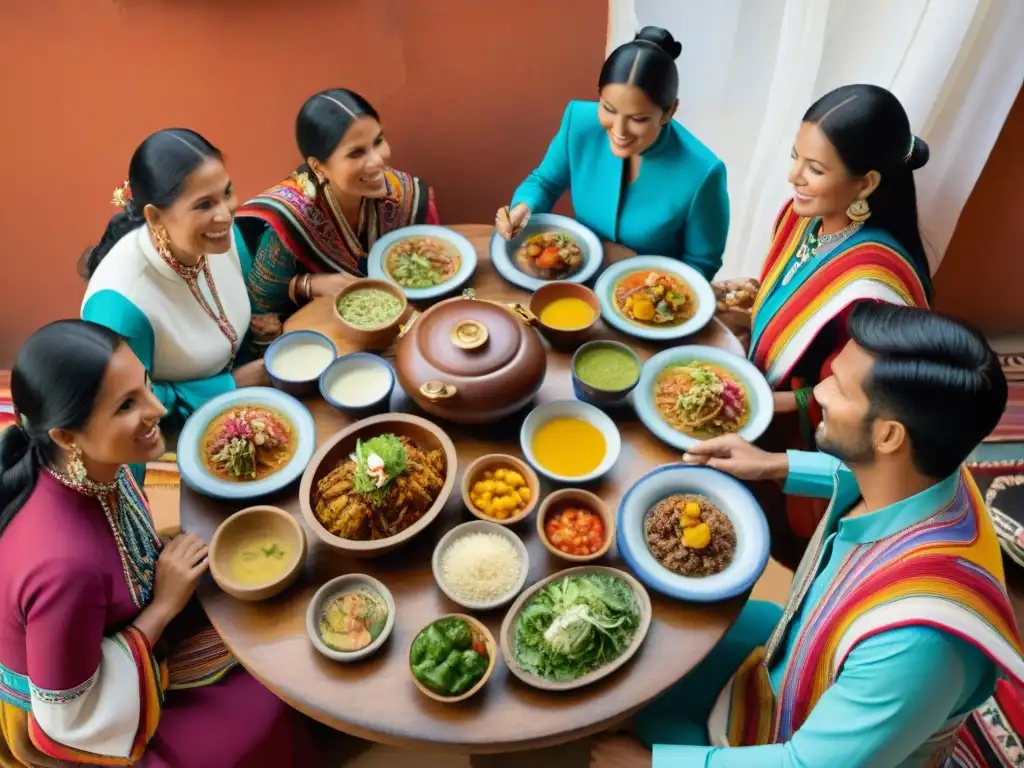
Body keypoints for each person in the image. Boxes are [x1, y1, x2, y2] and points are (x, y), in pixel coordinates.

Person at [591, 303, 1023, 768]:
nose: (818, 391)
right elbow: (866, 469)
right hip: (796, 660)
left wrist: (650, 765)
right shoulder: (933, 469)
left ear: (889, 436)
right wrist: (774, 465)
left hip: (811, 745)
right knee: (667, 636)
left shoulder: (919, 646)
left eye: (837, 387)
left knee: (643, 712)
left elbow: (807, 765)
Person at [0, 321, 312, 767]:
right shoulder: (63, 566)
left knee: (276, 625)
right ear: (66, 437)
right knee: (266, 704)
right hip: (87, 726)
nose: (156, 411)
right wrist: (163, 606)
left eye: (145, 385)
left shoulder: (98, 467)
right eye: (126, 405)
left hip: (123, 635)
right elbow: (69, 718)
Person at [747, 84, 933, 565]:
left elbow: (863, 404)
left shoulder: (874, 286)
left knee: (781, 546)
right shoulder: (803, 217)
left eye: (814, 169)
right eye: (795, 157)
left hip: (809, 436)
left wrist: (761, 403)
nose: (794, 177)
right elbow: (792, 296)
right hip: (762, 405)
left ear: (866, 183)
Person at [495, 26, 728, 281]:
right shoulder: (579, 122)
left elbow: (701, 263)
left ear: (669, 111)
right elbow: (545, 182)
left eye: (638, 118)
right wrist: (525, 207)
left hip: (642, 303)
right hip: (573, 281)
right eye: (608, 108)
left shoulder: (703, 173)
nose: (618, 131)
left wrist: (642, 280)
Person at [81, 128, 267, 427]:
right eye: (204, 205)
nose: (226, 214)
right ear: (155, 218)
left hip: (252, 389)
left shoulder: (221, 235)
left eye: (227, 192)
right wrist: (228, 386)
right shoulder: (120, 304)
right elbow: (122, 403)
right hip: (170, 430)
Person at [236, 88, 438, 321]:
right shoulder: (291, 219)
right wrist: (309, 284)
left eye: (378, 141)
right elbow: (262, 306)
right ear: (319, 168)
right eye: (356, 153)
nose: (377, 161)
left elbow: (433, 272)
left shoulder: (408, 197)